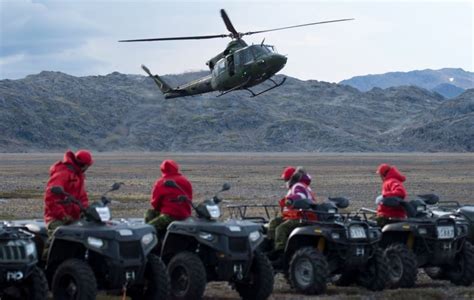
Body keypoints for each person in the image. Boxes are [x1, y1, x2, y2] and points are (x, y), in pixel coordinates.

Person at [43, 150, 94, 258]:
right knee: (58, 242)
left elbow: (82, 197)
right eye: (87, 166)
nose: (88, 168)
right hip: (56, 218)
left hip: (73, 218)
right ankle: (44, 267)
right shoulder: (63, 173)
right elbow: (50, 198)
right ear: (83, 165)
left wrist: (86, 211)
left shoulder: (78, 175)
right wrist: (63, 215)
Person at [268, 166, 317, 260]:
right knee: (273, 222)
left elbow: (300, 196)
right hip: (295, 215)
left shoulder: (297, 186)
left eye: (286, 179)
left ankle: (280, 253)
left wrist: (290, 200)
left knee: (281, 228)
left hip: (301, 216)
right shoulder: (300, 185)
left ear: (290, 178)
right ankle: (272, 245)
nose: (285, 181)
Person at [145, 160, 193, 235]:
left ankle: (154, 241)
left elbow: (155, 203)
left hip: (170, 216)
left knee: (147, 229)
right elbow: (189, 198)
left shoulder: (161, 182)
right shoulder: (185, 180)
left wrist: (162, 210)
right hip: (185, 214)